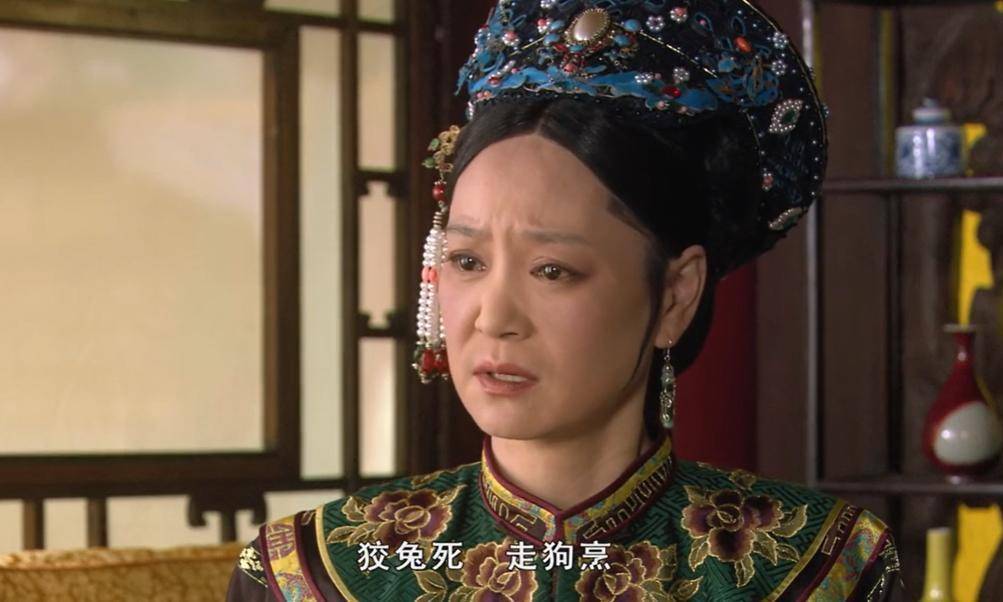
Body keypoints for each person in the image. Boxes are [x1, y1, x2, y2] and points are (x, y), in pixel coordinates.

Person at [228, 0, 903, 599]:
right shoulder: (316, 572)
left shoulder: (816, 568)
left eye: (551, 270)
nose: (493, 318)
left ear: (675, 294)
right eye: (467, 261)